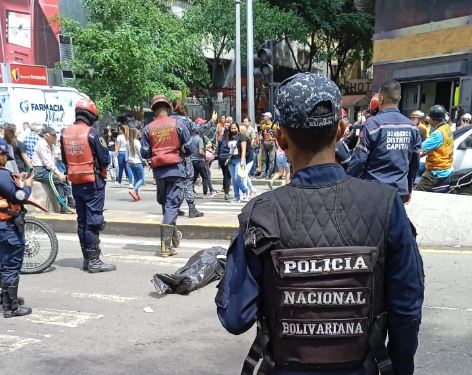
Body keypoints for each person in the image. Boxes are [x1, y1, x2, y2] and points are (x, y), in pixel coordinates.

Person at [216, 72, 424, 375]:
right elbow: (407, 309)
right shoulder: (385, 205)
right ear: (341, 129)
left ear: (281, 138)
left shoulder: (260, 214)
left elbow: (235, 317)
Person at [61, 98, 116, 273]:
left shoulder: (65, 133)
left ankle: (87, 258)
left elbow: (64, 160)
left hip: (75, 182)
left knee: (82, 221)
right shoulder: (92, 134)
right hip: (93, 183)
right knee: (93, 221)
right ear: (91, 115)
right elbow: (105, 159)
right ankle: (94, 261)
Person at [347, 80, 422, 203]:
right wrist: (409, 189)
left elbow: (359, 160)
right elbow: (414, 163)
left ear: (380, 99)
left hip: (374, 193)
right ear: (400, 99)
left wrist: (348, 186)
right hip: (399, 193)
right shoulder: (412, 128)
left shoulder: (372, 125)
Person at [141, 95, 193, 257]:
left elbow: (145, 152)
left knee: (166, 204)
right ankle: (165, 247)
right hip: (176, 169)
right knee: (172, 204)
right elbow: (188, 147)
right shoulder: (178, 124)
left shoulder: (148, 128)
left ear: (154, 110)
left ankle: (173, 236)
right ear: (168, 109)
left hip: (159, 171)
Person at [0, 139, 34, 317]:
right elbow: (19, 196)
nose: (5, 160)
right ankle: (11, 307)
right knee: (11, 264)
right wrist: (27, 186)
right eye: (4, 156)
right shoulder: (2, 174)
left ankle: (5, 297)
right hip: (6, 226)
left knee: (1, 263)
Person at [171, 100, 216, 218]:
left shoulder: (168, 121)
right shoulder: (185, 120)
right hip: (184, 155)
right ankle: (191, 208)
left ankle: (174, 208)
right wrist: (212, 121)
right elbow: (199, 129)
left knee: (174, 183)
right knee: (188, 181)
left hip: (170, 155)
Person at [33, 127, 74, 212]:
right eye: (54, 135)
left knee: (63, 179)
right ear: (47, 136)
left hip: (47, 169)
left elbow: (55, 158)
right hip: (40, 170)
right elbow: (48, 163)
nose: (56, 137)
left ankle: (68, 200)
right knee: (58, 179)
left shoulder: (51, 145)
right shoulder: (42, 144)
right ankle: (64, 204)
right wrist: (58, 173)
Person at [414, 105, 454, 192]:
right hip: (447, 167)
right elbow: (435, 148)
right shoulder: (447, 128)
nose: (428, 120)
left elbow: (419, 148)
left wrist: (409, 151)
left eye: (430, 118)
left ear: (433, 119)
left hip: (436, 171)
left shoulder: (437, 134)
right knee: (419, 166)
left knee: (417, 192)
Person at [226, 122, 250, 203]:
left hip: (239, 160)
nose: (233, 130)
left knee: (237, 178)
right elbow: (229, 149)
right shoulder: (229, 137)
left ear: (237, 128)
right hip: (231, 160)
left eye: (234, 128)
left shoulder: (242, 137)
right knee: (234, 180)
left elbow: (244, 150)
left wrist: (243, 160)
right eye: (231, 128)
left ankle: (245, 190)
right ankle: (237, 197)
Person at [191, 128, 214, 197]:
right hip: (200, 161)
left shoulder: (190, 139)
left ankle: (191, 191)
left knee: (193, 178)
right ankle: (205, 193)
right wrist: (205, 155)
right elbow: (200, 152)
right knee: (205, 177)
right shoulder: (199, 139)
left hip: (192, 161)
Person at [127, 128, 146, 201]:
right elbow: (139, 153)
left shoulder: (128, 142)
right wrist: (144, 160)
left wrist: (128, 161)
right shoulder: (137, 142)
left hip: (131, 162)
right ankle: (134, 191)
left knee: (136, 178)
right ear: (135, 134)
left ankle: (136, 195)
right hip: (137, 162)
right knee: (141, 179)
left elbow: (127, 153)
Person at [115, 123, 134, 189]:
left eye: (119, 129)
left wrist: (115, 153)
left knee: (121, 168)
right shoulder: (128, 137)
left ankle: (119, 182)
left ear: (121, 130)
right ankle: (130, 183)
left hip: (121, 153)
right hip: (127, 153)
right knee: (128, 168)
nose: (118, 130)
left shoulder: (119, 137)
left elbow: (118, 146)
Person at [259, 112, 278, 178]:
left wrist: (276, 143)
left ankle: (269, 173)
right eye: (264, 116)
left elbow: (277, 135)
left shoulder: (275, 126)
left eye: (265, 116)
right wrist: (261, 142)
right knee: (263, 159)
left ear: (269, 117)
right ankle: (263, 173)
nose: (264, 117)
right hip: (264, 143)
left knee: (271, 160)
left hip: (272, 143)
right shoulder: (263, 125)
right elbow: (261, 134)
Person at [217, 122, 232, 200]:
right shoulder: (230, 139)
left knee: (224, 175)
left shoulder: (221, 138)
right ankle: (226, 192)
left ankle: (225, 190)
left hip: (221, 158)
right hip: (228, 158)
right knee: (228, 176)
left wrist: (219, 161)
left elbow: (218, 150)